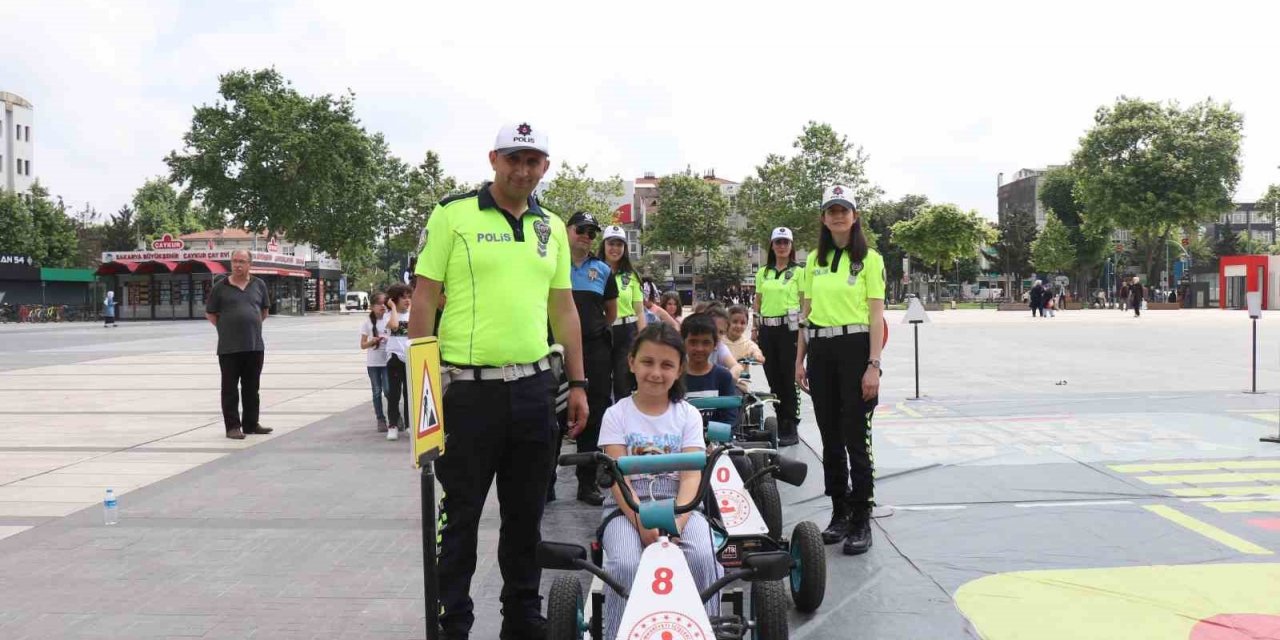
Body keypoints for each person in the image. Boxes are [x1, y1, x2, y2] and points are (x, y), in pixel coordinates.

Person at [407, 122, 588, 640]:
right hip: (468, 392)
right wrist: (422, 394)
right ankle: (454, 622)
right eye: (514, 158)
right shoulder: (452, 214)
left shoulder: (551, 226)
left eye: (533, 161)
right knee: (460, 516)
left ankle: (522, 621)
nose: (523, 170)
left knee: (526, 517)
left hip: (534, 391)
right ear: (493, 159)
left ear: (545, 167)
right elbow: (423, 299)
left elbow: (564, 308)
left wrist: (578, 383)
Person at [597, 324, 722, 640]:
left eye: (667, 365)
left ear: (679, 369)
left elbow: (692, 473)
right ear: (631, 363)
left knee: (702, 557)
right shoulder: (616, 414)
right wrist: (640, 520)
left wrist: (678, 519)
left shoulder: (688, 415)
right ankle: (617, 633)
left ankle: (704, 630)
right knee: (625, 565)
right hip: (628, 504)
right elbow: (617, 476)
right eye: (648, 362)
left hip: (681, 503)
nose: (656, 372)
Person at [795, 185, 884, 556]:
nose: (838, 215)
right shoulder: (813, 260)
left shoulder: (870, 259)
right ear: (823, 217)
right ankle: (839, 512)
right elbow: (805, 314)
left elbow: (876, 315)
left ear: (855, 215)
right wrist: (799, 359)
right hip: (820, 350)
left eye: (844, 209)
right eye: (831, 210)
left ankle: (861, 515)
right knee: (829, 437)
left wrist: (873, 366)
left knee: (854, 435)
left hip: (855, 349)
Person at [563, 211, 617, 506]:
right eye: (581, 229)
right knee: (552, 415)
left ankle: (586, 483)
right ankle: (545, 483)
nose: (586, 236)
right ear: (567, 230)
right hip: (556, 349)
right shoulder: (553, 264)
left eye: (592, 232)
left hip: (595, 350)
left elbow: (611, 311)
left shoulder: (603, 271)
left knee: (593, 414)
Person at [205, 249, 273, 440]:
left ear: (250, 263)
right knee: (229, 389)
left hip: (254, 346)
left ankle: (251, 424)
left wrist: (250, 325)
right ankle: (233, 427)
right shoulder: (220, 286)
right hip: (229, 348)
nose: (238, 265)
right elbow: (210, 313)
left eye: (242, 261)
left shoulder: (259, 284)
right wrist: (228, 328)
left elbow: (264, 312)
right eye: (234, 261)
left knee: (252, 388)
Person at [752, 227, 804, 446]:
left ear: (791, 246)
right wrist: (754, 328)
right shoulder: (763, 272)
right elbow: (758, 301)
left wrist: (804, 329)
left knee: (789, 378)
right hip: (767, 331)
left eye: (786, 242)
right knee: (773, 377)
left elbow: (804, 302)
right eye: (778, 242)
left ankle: (790, 424)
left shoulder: (799, 272)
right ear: (772, 246)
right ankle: (780, 419)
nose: (782, 246)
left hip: (789, 330)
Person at [602, 225, 647, 400]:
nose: (615, 248)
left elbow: (640, 311)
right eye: (611, 243)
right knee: (601, 381)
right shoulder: (594, 271)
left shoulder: (632, 276)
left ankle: (624, 425)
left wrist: (643, 339)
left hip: (627, 332)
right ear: (604, 245)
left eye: (619, 244)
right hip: (603, 332)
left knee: (624, 383)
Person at [682, 313, 739, 427]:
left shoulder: (723, 377)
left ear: (715, 345)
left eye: (706, 342)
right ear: (683, 343)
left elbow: (730, 419)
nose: (699, 348)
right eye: (693, 342)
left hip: (717, 440)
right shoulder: (674, 377)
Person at [383, 283, 412, 441]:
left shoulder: (413, 313)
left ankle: (409, 425)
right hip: (395, 358)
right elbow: (394, 326)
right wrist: (393, 308)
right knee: (394, 394)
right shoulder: (389, 315)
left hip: (410, 358)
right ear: (394, 300)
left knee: (409, 394)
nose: (407, 300)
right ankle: (392, 425)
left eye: (409, 297)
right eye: (403, 297)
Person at [359, 292, 391, 432]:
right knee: (377, 392)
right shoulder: (367, 323)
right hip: (373, 363)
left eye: (384, 303)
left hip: (387, 361)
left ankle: (394, 416)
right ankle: (380, 419)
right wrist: (372, 341)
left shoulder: (389, 319)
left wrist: (387, 339)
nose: (382, 306)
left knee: (389, 390)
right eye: (379, 304)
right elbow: (363, 345)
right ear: (372, 307)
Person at [725, 305, 765, 394]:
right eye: (735, 322)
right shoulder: (719, 341)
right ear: (727, 323)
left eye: (743, 323)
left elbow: (755, 350)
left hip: (738, 386)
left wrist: (758, 356)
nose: (739, 326)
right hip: (717, 383)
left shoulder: (747, 344)